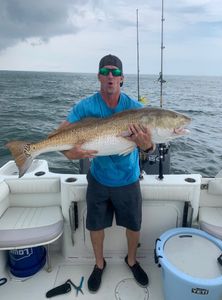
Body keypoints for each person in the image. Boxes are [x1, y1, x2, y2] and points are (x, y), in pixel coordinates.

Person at [60, 54, 155, 293]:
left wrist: (148, 145)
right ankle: (99, 264)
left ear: (122, 78)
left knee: (134, 226)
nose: (109, 76)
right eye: (104, 72)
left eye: (114, 72)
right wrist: (70, 154)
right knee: (95, 225)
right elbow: (61, 137)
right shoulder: (85, 106)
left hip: (128, 178)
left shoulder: (136, 109)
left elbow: (150, 146)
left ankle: (131, 260)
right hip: (99, 178)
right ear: (99, 76)